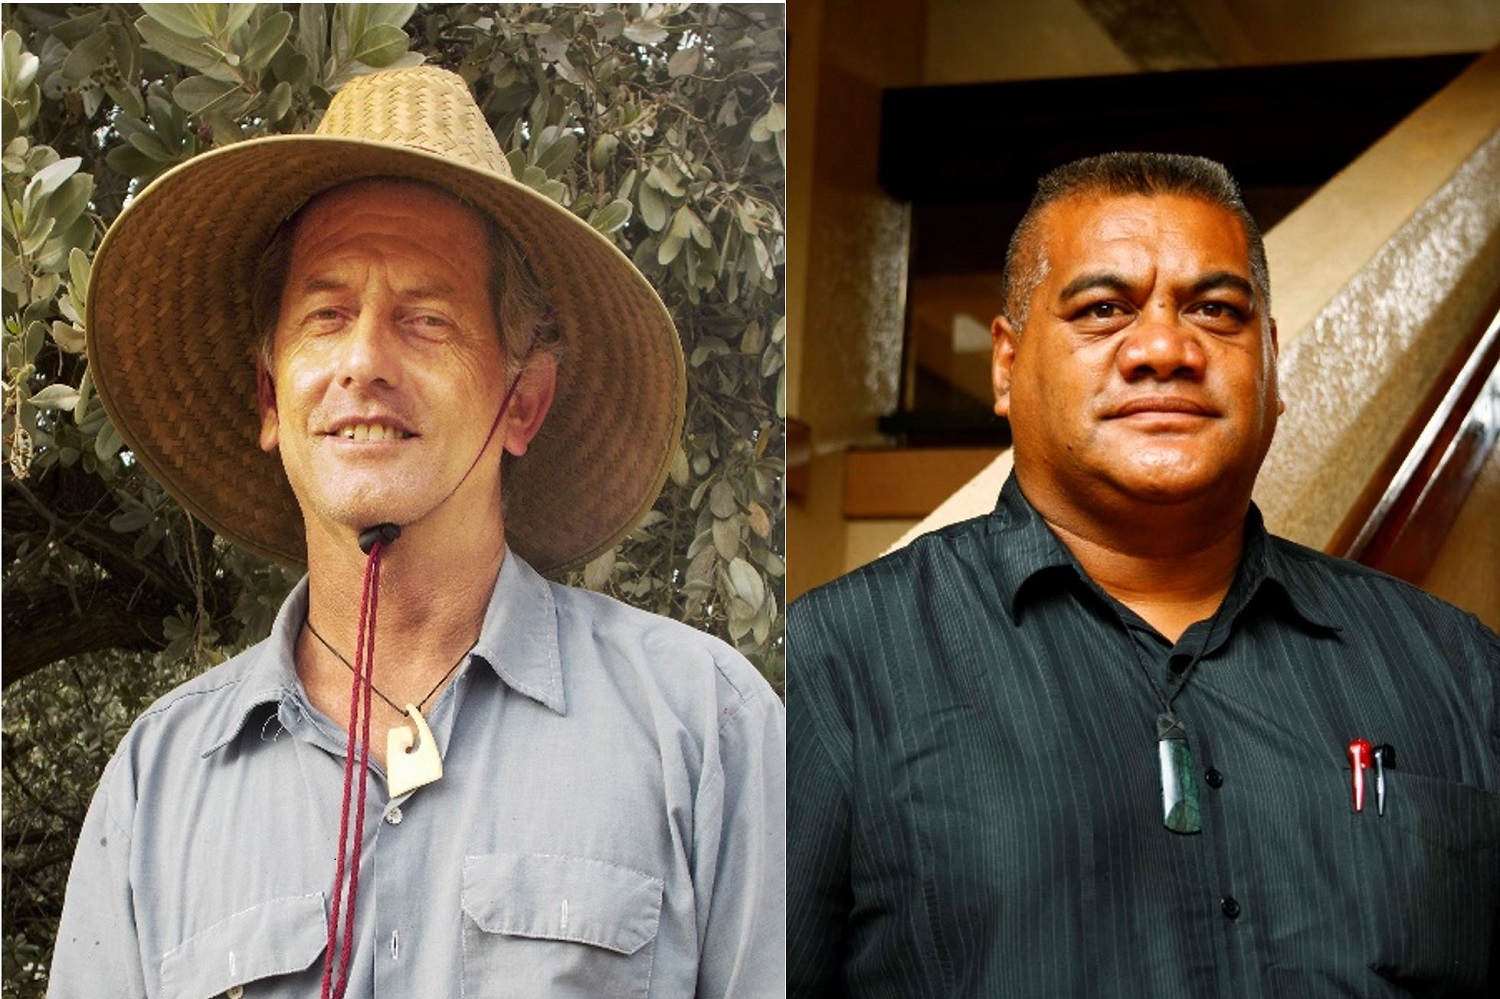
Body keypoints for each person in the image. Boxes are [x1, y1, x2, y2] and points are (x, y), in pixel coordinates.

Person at [50, 67, 784, 998]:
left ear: (523, 401)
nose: (363, 361)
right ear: (272, 396)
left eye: (426, 319)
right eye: (325, 316)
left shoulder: (703, 729)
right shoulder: (158, 787)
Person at [786, 152, 1500, 997]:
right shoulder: (830, 667)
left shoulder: (1457, 666)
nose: (1164, 347)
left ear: (1271, 365)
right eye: (1103, 308)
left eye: (1214, 309)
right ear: (1006, 366)